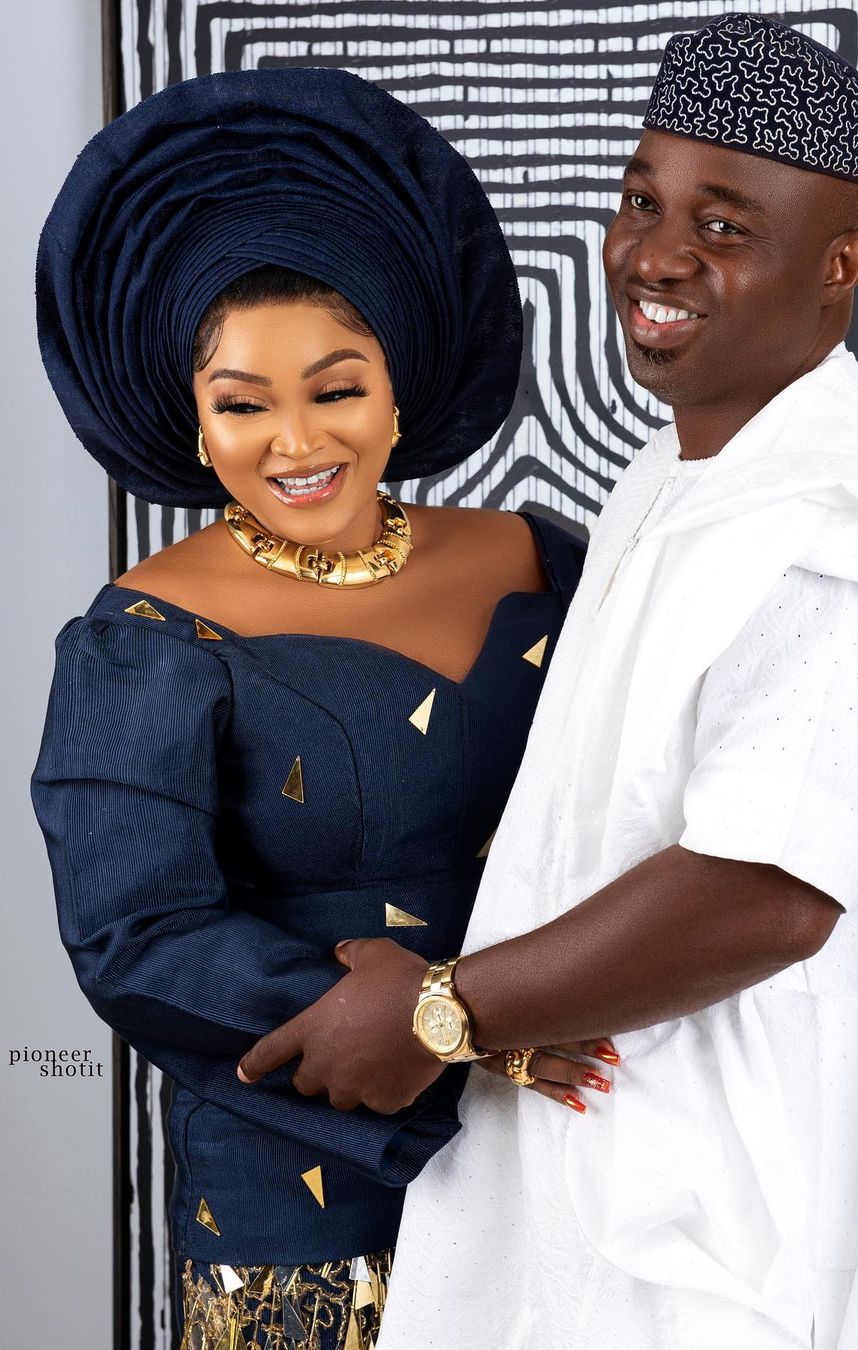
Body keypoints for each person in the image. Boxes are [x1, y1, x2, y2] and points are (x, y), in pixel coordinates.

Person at [236, 16, 858, 1350]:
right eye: (643, 202)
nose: (656, 255)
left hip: (731, 1220)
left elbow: (765, 893)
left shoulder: (832, 536)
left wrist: (444, 1009)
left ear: (843, 263)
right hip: (621, 1144)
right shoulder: (681, 473)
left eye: (725, 226)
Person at [30, 67, 602, 1350]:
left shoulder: (545, 561)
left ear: (400, 388)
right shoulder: (143, 640)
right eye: (243, 404)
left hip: (572, 1135)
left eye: (335, 389)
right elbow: (138, 937)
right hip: (304, 1175)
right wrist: (457, 1026)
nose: (294, 442)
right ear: (196, 422)